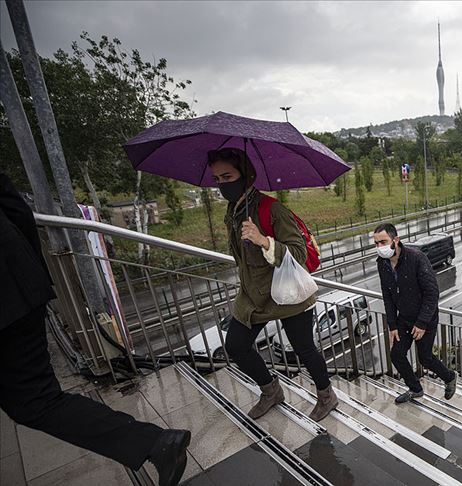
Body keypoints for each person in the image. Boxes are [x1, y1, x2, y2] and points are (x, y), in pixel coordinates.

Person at [0, 172, 190, 486]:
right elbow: (15, 207)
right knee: (36, 400)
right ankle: (154, 443)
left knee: (34, 401)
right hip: (17, 283)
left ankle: (155, 443)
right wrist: (31, 269)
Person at [208, 148, 337, 422]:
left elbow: (299, 255)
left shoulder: (273, 210)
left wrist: (264, 241)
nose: (222, 184)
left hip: (287, 294)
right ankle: (271, 390)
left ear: (246, 174)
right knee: (236, 345)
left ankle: (327, 396)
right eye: (217, 179)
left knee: (304, 349)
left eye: (228, 176)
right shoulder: (233, 212)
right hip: (253, 296)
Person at [374, 223, 458, 404]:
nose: (379, 247)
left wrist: (421, 323)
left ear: (396, 240)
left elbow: (432, 292)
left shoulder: (416, 258)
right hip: (403, 318)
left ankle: (450, 377)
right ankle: (415, 388)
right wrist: (392, 325)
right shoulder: (382, 264)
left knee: (425, 357)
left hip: (424, 317)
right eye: (376, 243)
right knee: (396, 354)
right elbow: (387, 295)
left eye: (383, 242)